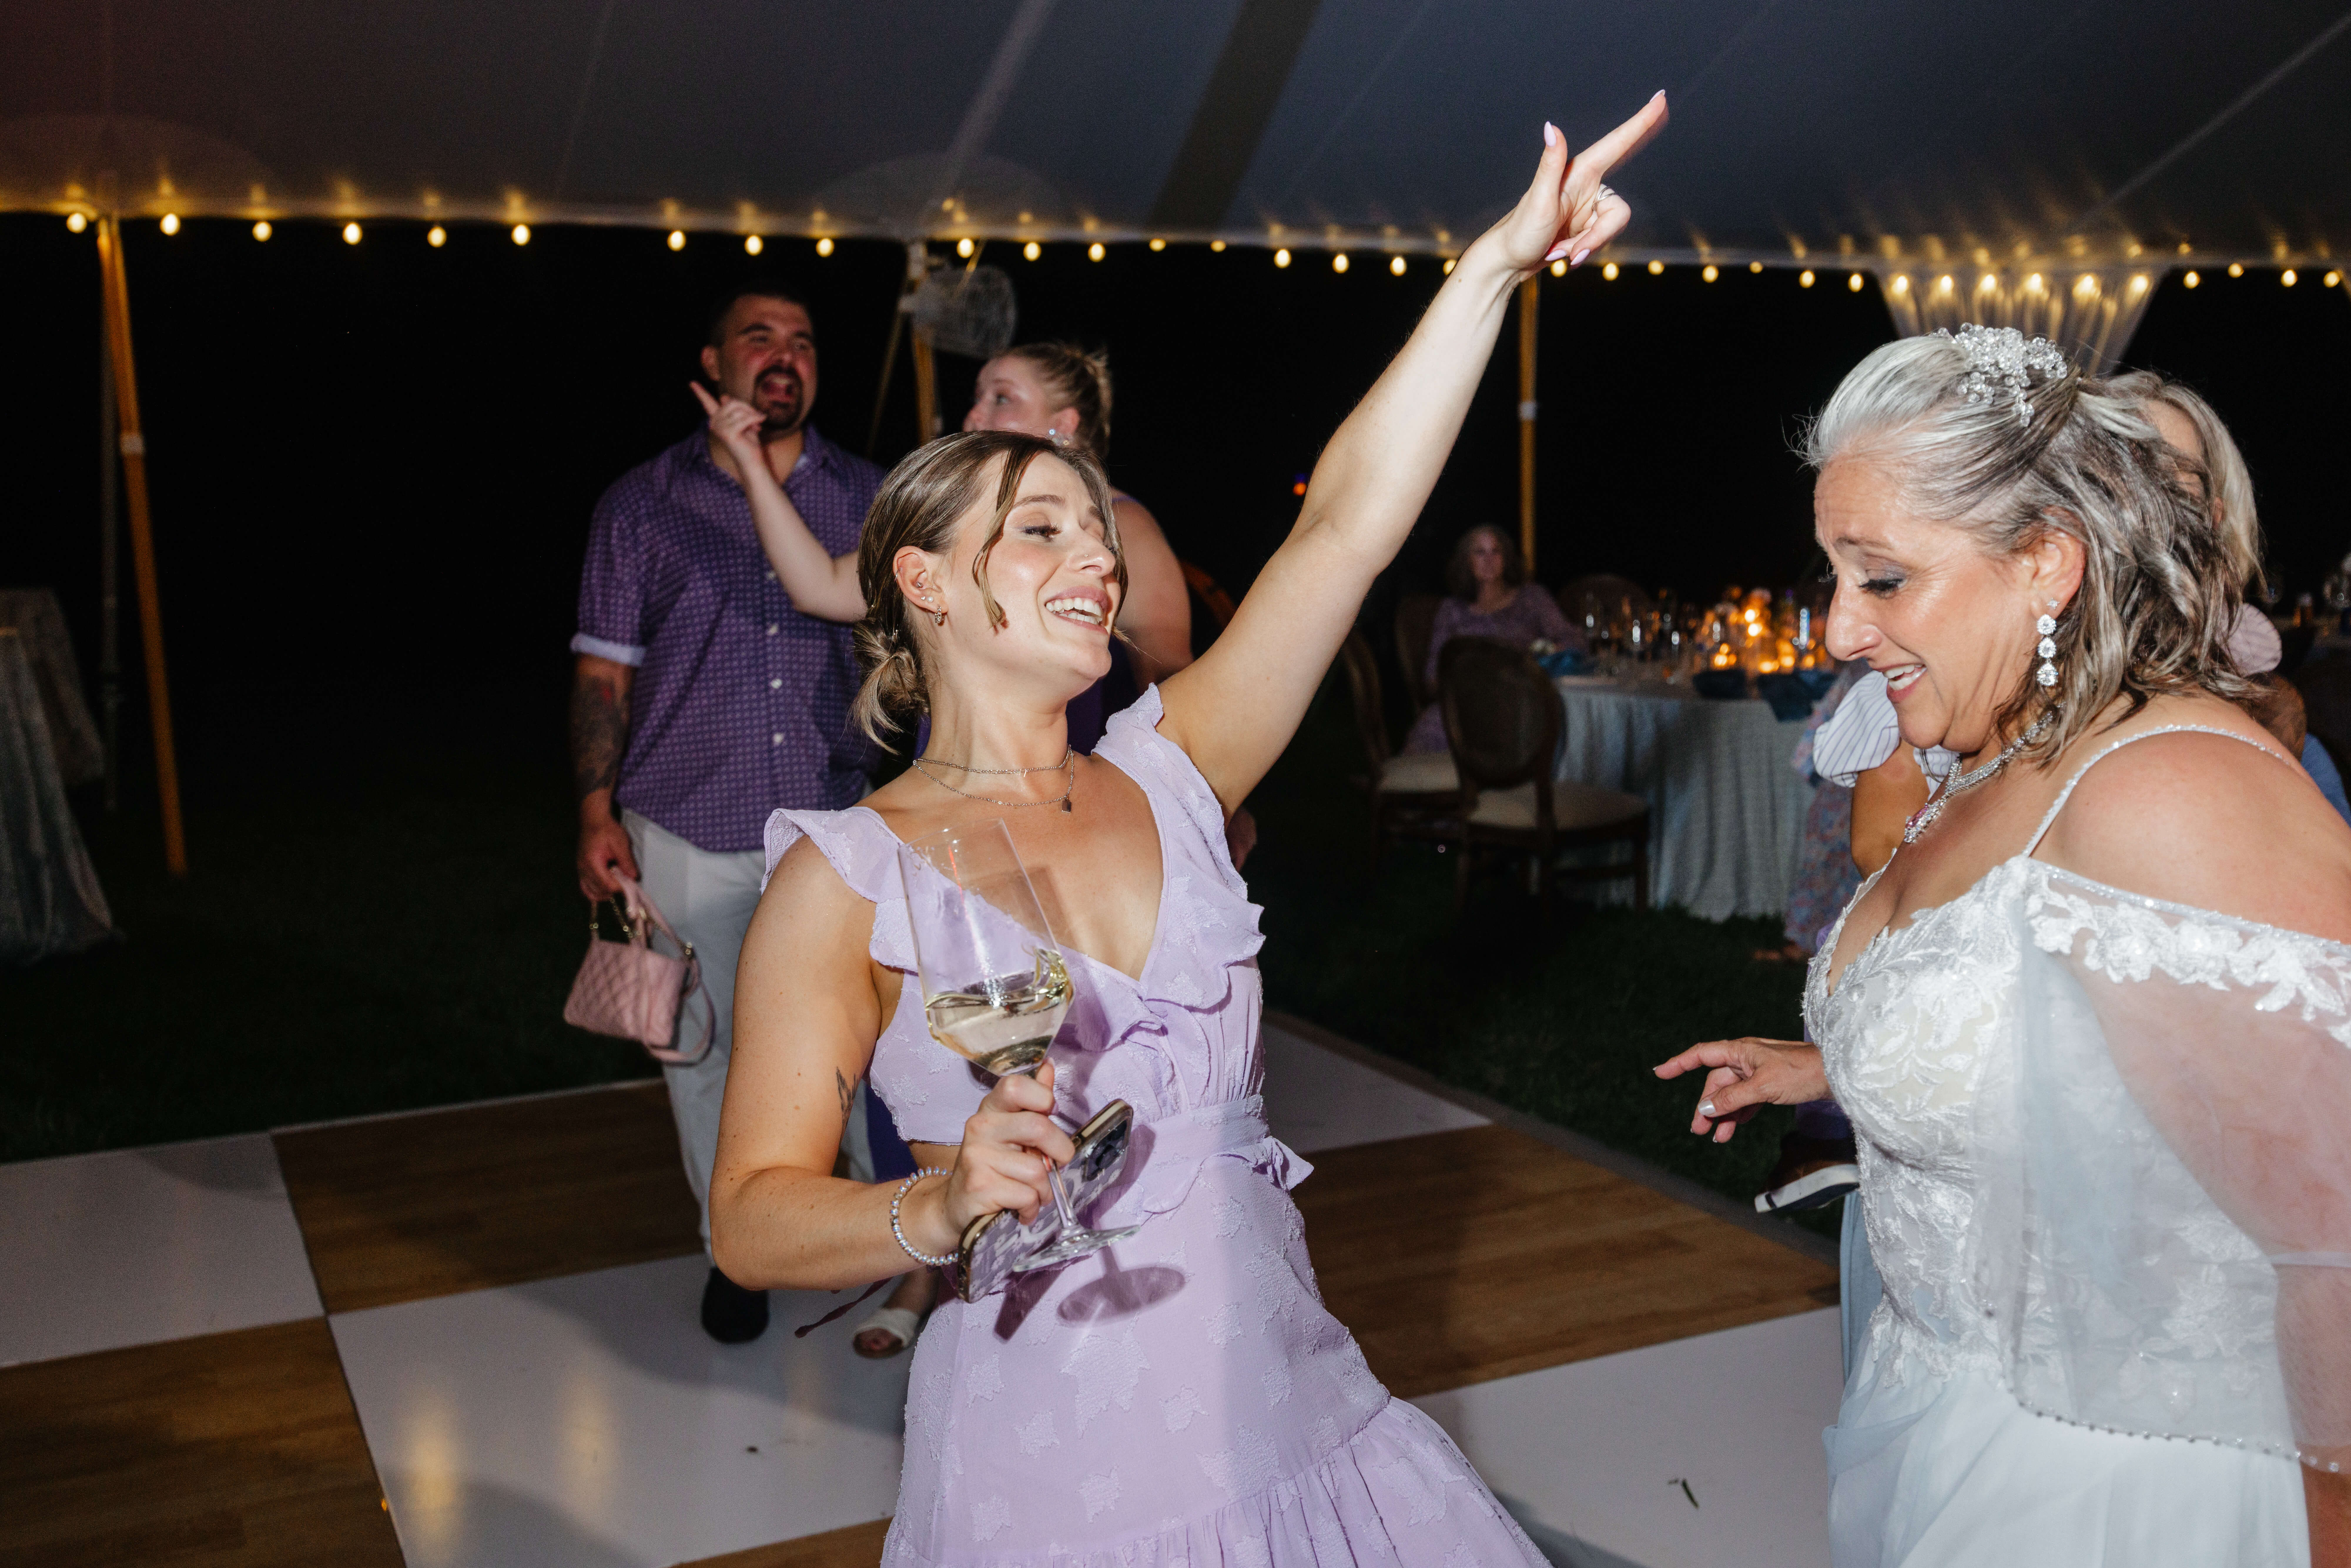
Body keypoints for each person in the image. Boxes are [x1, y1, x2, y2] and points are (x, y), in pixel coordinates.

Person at [708, 96, 1667, 1567]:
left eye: (1095, 529)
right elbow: (752, 1217)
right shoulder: (845, 883)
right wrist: (939, 1200)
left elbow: (1343, 527)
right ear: (927, 582)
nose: (1095, 557)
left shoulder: (1176, 773)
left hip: (1296, 1418)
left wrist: (1490, 274)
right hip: (1053, 1483)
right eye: (1039, 528)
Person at [1657, 325, 2351, 1566]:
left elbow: (2334, 1243)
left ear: (2045, 562)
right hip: (1947, 1417)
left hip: (2133, 1484)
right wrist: (1833, 1062)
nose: (1837, 630)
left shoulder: (2172, 788)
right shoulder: (1991, 755)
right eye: (1834, 574)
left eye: (1882, 579)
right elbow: (2071, 1034)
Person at [572, 280, 885, 1346]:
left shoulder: (869, 496)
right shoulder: (640, 504)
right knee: (700, 1050)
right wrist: (594, 809)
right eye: (759, 336)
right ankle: (735, 1251)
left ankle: (873, 1234)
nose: (785, 354)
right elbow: (603, 672)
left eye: (804, 339)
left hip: (835, 828)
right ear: (713, 364)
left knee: (853, 1042)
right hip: (685, 822)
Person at [1401, 524, 1577, 752]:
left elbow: (1573, 640)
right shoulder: (1452, 610)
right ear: (1467, 561)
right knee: (1427, 736)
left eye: (1496, 552)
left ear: (1507, 558)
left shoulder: (1532, 598)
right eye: (1480, 552)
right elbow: (1433, 677)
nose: (1489, 560)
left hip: (1523, 703)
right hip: (1467, 705)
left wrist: (1544, 654)